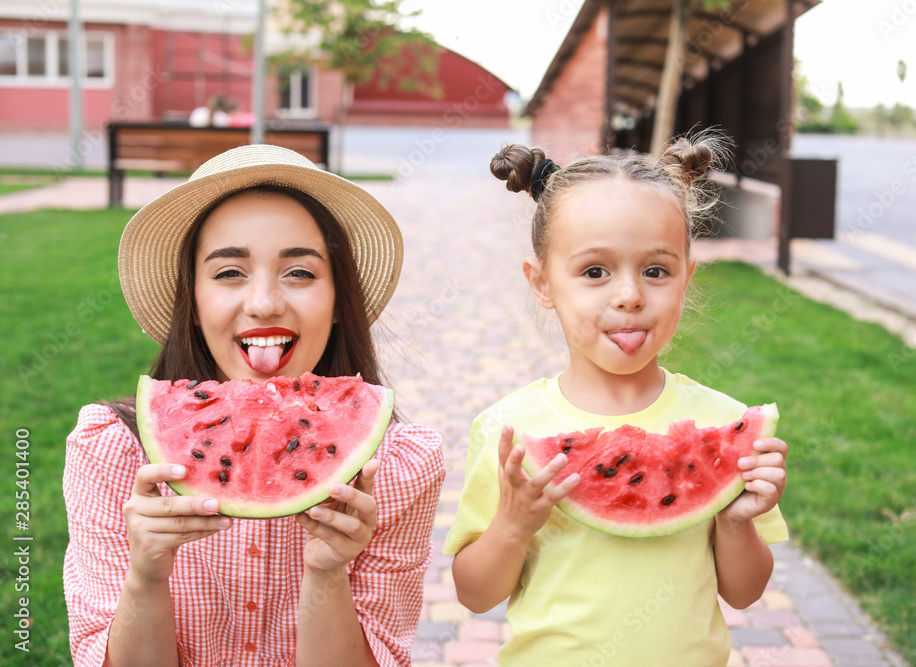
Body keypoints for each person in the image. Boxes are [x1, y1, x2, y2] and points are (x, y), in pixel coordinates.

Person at [63, 144, 446, 666]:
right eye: (228, 273)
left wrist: (327, 573)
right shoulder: (112, 452)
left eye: (300, 273)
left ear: (338, 302)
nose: (264, 302)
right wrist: (146, 575)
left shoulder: (397, 468)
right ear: (192, 304)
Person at [444, 136, 789, 665]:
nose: (628, 296)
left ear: (686, 279)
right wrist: (512, 525)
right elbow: (475, 593)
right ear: (541, 283)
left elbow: (743, 593)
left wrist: (736, 519)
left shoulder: (725, 422)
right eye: (594, 272)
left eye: (656, 271)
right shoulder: (510, 431)